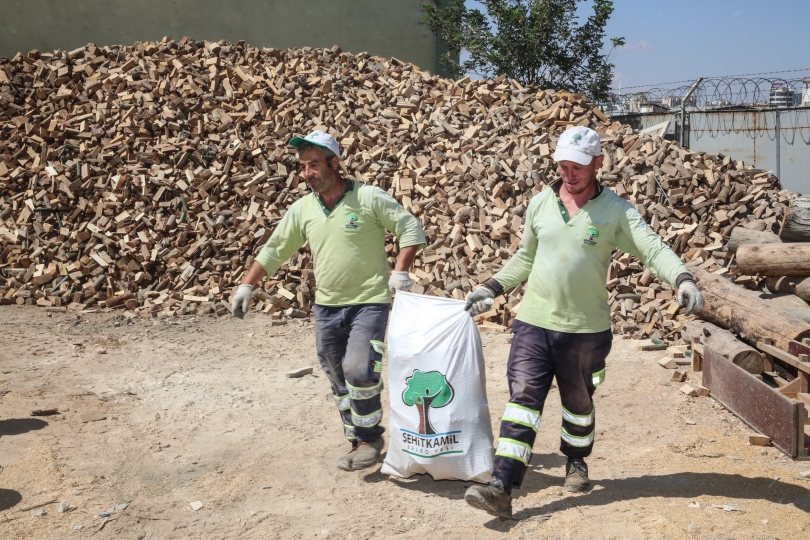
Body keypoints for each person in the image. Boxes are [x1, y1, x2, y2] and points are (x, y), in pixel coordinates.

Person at [462, 126, 703, 517]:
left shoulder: (616, 212)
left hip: (587, 331)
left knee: (578, 405)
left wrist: (683, 277)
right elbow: (524, 258)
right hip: (534, 323)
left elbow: (652, 249)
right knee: (522, 402)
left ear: (598, 164)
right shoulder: (541, 203)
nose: (568, 174)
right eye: (562, 166)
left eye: (577, 167)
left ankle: (575, 458)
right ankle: (501, 484)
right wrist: (491, 287)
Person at [232, 130, 425, 471]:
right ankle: (355, 440)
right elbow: (275, 250)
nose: (307, 173)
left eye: (314, 165)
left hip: (369, 302)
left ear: (335, 163)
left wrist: (401, 270)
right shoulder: (303, 208)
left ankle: (370, 439)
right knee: (336, 374)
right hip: (326, 306)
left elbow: (409, 227)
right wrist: (246, 285)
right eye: (303, 167)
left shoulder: (368, 198)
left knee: (358, 368)